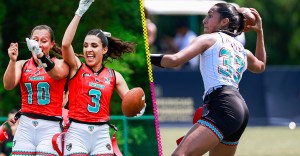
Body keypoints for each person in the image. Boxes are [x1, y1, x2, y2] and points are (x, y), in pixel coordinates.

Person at [151, 3, 266, 156]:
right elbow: (261, 65)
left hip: (223, 104)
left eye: (210, 15)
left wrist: (146, 55)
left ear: (224, 22)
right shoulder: (242, 50)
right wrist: (260, 32)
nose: (205, 20)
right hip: (240, 110)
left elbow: (174, 60)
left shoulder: (209, 39)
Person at [60, 0, 145, 155]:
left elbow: (130, 100)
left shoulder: (114, 76)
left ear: (104, 49)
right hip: (77, 131)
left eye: (94, 45)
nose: (88, 49)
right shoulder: (77, 67)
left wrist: (139, 105)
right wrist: (79, 12)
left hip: (101, 133)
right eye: (85, 46)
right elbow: (66, 45)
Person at [3, 24, 69, 155]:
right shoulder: (22, 64)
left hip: (50, 125)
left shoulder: (61, 63)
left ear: (51, 44)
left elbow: (56, 74)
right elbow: (8, 85)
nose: (38, 44)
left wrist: (40, 55)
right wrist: (12, 60)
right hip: (26, 125)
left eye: (44, 41)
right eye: (35, 40)